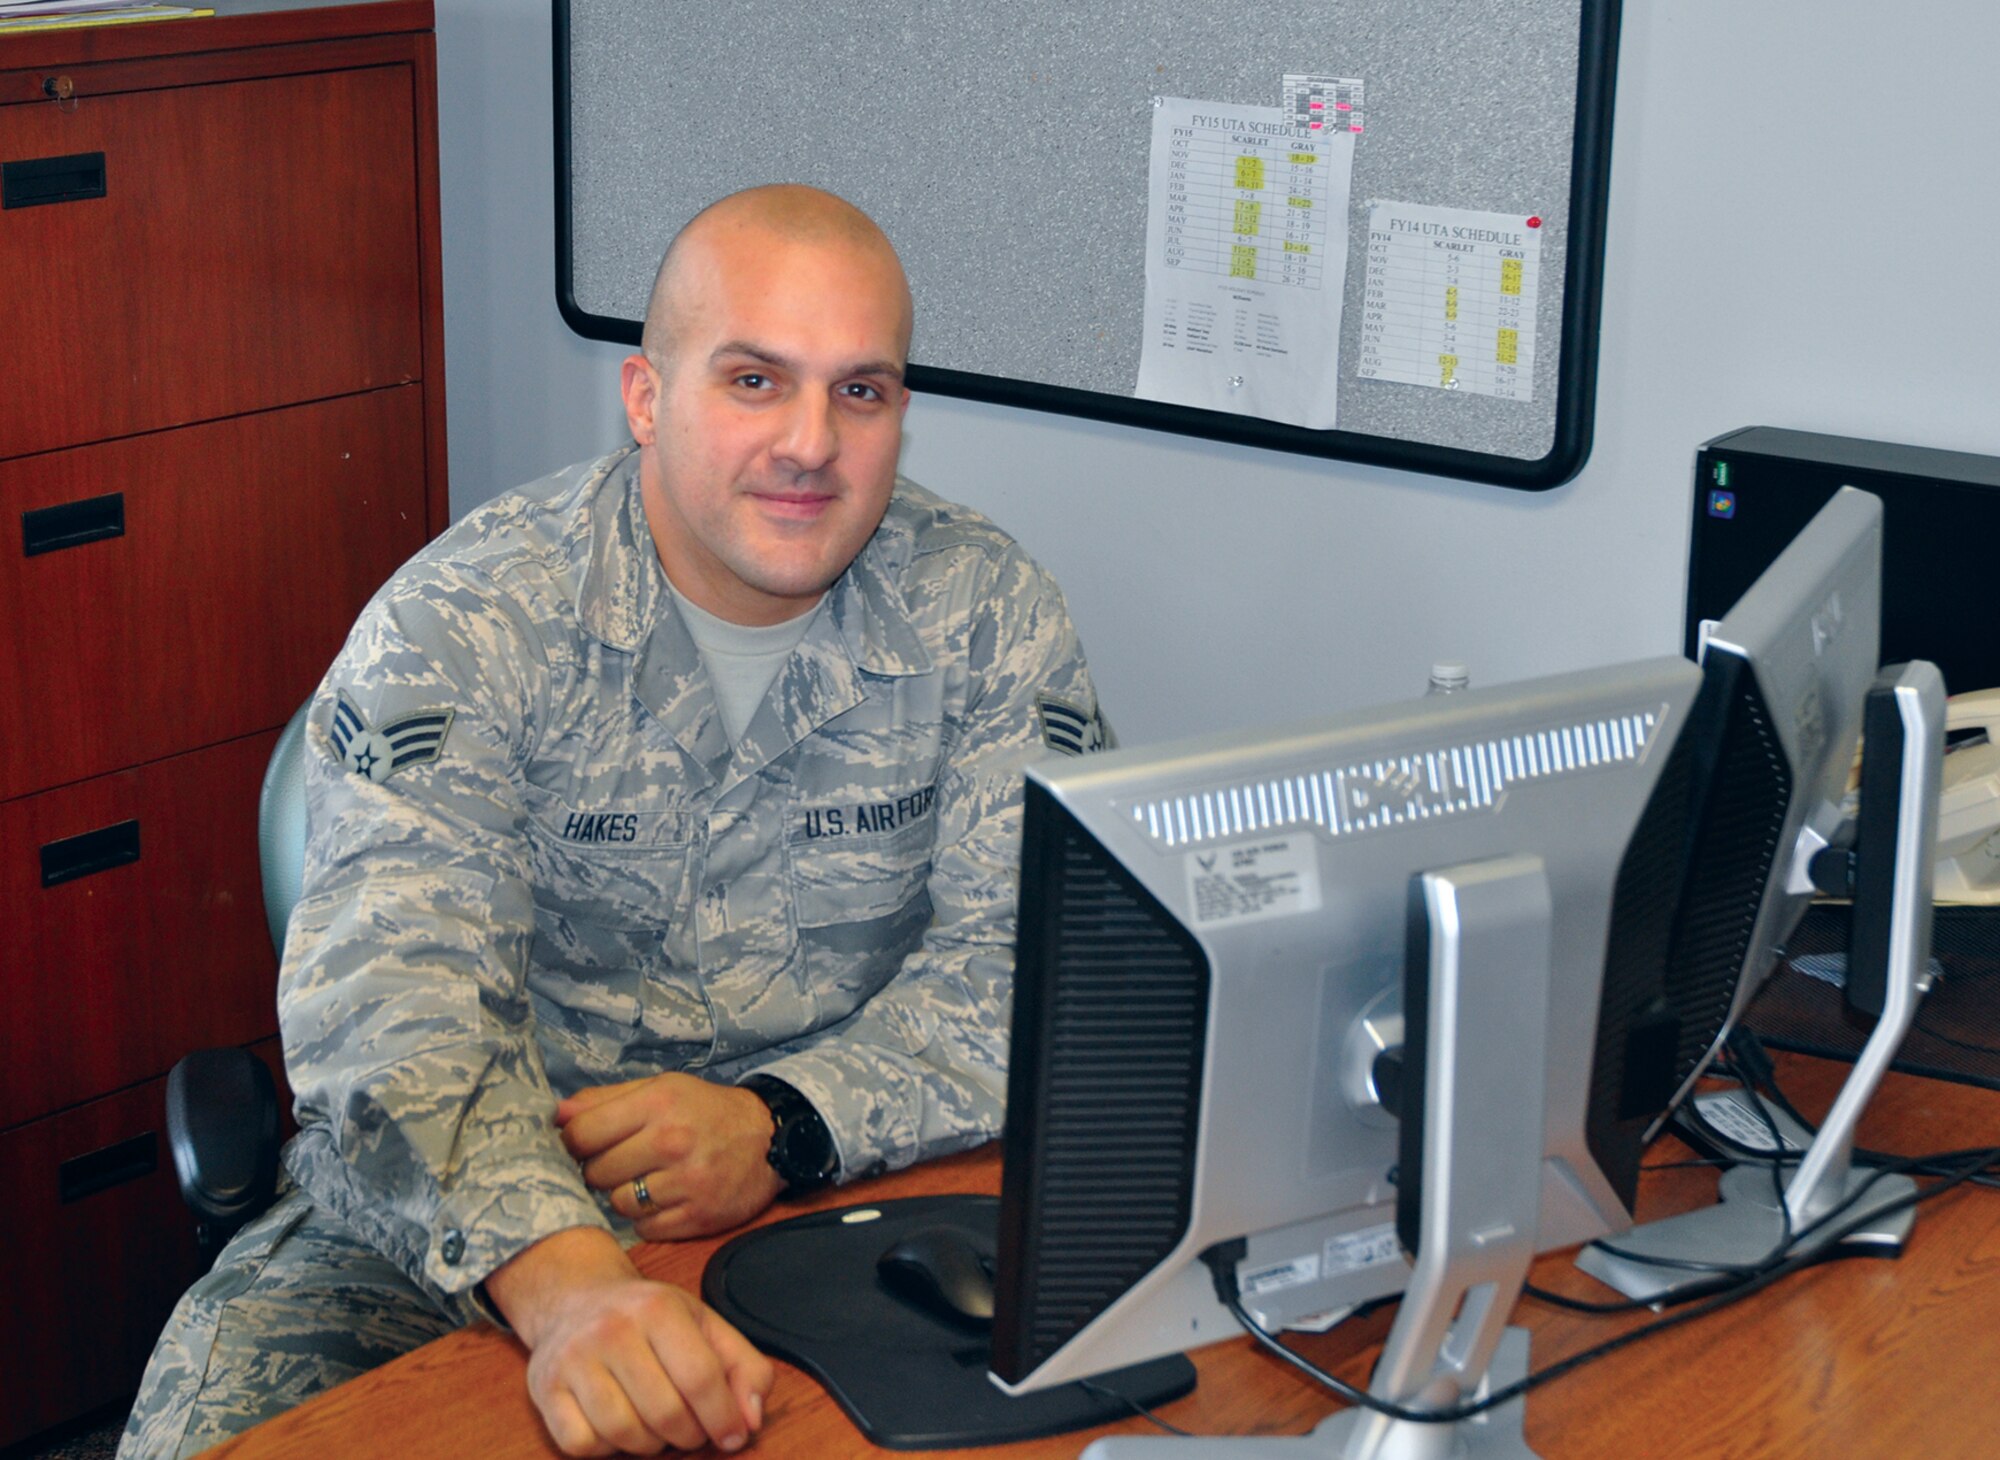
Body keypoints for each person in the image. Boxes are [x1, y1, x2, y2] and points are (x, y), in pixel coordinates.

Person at [120, 185, 1104, 1459]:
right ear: (645, 397)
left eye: (858, 391)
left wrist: (786, 1121)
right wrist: (571, 1281)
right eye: (754, 380)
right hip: (448, 1224)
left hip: (840, 1189)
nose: (810, 442)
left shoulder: (986, 612)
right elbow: (392, 1005)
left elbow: (1034, 965)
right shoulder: (467, 619)